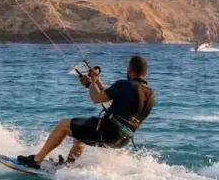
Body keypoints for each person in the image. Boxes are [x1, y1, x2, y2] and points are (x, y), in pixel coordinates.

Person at [17, 54, 156, 170]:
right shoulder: (150, 94)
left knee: (63, 125)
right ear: (146, 73)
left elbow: (96, 98)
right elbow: (108, 98)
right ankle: (68, 165)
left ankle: (36, 161)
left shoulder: (124, 85)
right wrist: (96, 81)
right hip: (122, 140)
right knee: (80, 133)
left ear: (130, 70)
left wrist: (90, 84)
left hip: (107, 132)